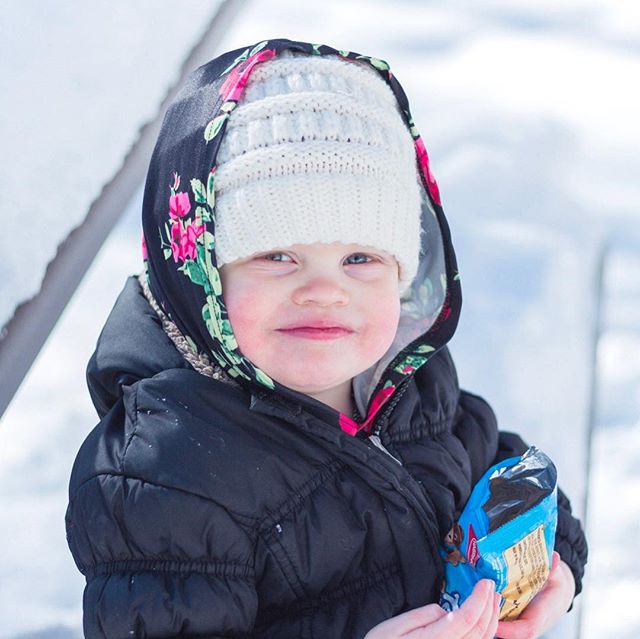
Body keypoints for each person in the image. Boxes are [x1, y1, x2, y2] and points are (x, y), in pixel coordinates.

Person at [65, 37, 587, 638]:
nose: (323, 291)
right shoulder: (166, 472)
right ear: (201, 271)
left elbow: (500, 468)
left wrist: (554, 564)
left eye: (360, 257)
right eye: (278, 254)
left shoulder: (407, 383)